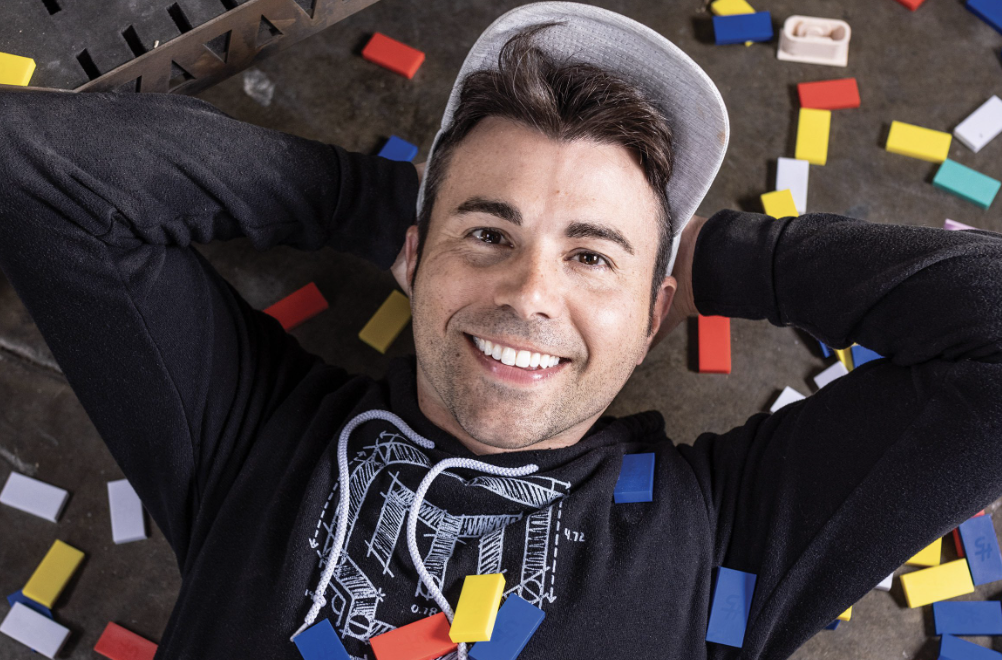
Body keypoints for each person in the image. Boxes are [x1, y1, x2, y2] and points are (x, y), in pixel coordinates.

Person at [1, 2, 1000, 659]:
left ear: (655, 314)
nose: (530, 292)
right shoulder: (250, 434)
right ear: (413, 259)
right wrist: (378, 203)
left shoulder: (726, 536)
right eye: (488, 235)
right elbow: (29, 163)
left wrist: (713, 257)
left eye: (592, 257)